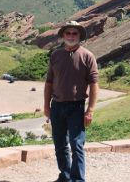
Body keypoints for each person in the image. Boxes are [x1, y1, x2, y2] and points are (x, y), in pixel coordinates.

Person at [44, 21, 99, 182]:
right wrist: (46, 106)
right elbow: (48, 83)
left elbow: (94, 85)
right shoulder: (55, 55)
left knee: (76, 145)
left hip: (76, 106)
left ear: (80, 36)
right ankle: (65, 176)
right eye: (68, 33)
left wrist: (90, 110)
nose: (71, 36)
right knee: (60, 145)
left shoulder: (87, 56)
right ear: (63, 35)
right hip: (57, 106)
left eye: (75, 33)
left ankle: (78, 179)